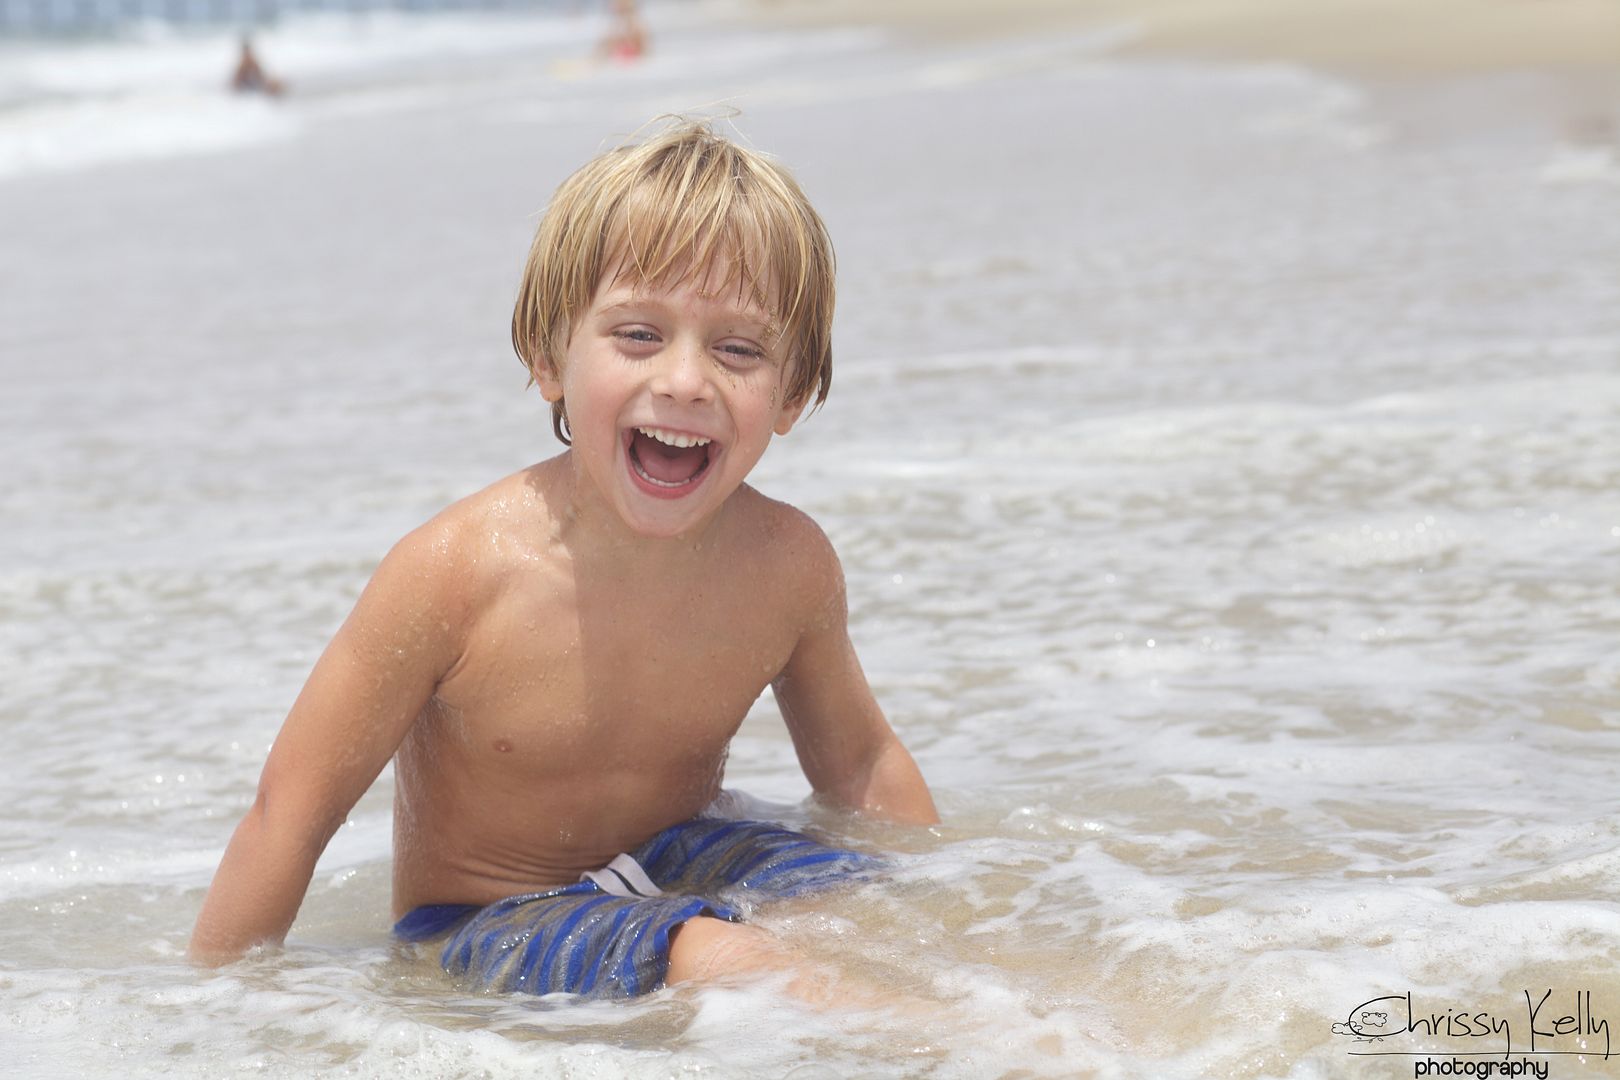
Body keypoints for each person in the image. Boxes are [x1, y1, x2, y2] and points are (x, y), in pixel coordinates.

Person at [188, 118, 939, 1003]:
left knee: (865, 903)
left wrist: (952, 891)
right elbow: (292, 812)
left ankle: (963, 1017)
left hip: (670, 860)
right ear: (549, 356)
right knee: (721, 959)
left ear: (795, 394)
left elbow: (858, 765)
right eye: (638, 335)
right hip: (486, 917)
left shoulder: (788, 565)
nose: (687, 381)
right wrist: (212, 1018)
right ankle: (987, 1057)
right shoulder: (454, 574)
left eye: (738, 349)